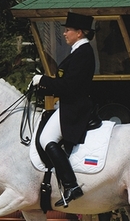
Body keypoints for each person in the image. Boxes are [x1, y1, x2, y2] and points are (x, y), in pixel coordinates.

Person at [31, 12, 96, 208]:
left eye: (68, 30)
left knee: (45, 139)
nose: (65, 33)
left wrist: (43, 81)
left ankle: (71, 185)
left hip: (74, 108)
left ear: (80, 32)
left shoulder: (83, 53)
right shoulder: (77, 52)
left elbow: (69, 87)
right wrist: (42, 85)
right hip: (68, 104)